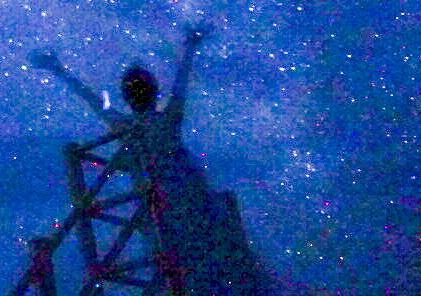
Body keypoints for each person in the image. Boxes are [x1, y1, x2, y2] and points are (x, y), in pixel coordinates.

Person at [29, 24, 267, 295]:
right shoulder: (165, 120)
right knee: (209, 262)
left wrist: (58, 69)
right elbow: (180, 84)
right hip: (189, 199)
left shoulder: (126, 126)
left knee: (179, 265)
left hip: (163, 207)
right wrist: (190, 47)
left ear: (128, 98)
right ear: (153, 92)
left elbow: (94, 100)